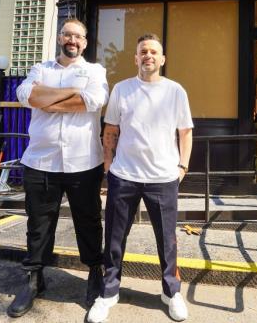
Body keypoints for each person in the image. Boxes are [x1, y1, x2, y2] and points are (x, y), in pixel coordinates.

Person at [87, 34, 193, 323]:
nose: (148, 55)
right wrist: (109, 166)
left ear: (162, 59)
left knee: (167, 241)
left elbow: (185, 132)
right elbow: (110, 129)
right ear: (135, 58)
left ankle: (171, 293)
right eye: (143, 52)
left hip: (163, 177)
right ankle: (109, 292)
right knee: (115, 238)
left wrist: (182, 167)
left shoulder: (175, 91)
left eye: (153, 52)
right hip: (124, 176)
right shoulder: (122, 89)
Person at [9, 18, 108, 317]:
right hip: (41, 160)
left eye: (78, 36)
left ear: (85, 42)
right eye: (67, 34)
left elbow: (94, 101)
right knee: (38, 222)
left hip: (83, 162)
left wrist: (47, 99)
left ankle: (95, 274)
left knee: (88, 220)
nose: (72, 40)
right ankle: (34, 279)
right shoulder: (41, 69)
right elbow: (26, 95)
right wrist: (71, 94)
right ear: (60, 37)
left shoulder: (95, 71)